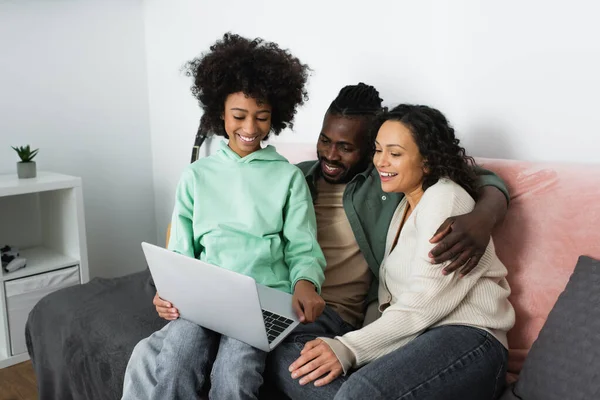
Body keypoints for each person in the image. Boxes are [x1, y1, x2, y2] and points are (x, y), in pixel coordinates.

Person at [151, 84, 511, 399]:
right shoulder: (300, 176)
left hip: (458, 333)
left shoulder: (411, 192)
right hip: (380, 329)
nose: (331, 154)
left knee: (350, 386)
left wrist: (486, 214)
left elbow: (472, 177)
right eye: (325, 140)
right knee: (274, 356)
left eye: (348, 147)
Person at [264, 84, 511, 400]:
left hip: (469, 337)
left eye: (394, 154)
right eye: (379, 150)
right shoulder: (401, 209)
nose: (381, 162)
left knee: (357, 393)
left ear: (427, 160)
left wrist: (349, 347)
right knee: (297, 365)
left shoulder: (444, 198)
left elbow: (424, 302)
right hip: (415, 339)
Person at [122, 33, 327, 400]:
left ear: (275, 116)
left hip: (260, 302)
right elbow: (179, 254)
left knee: (235, 374)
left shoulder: (288, 178)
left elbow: (302, 247)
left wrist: (306, 282)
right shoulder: (196, 177)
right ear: (220, 113)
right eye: (239, 116)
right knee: (176, 358)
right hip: (201, 299)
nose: (250, 128)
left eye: (262, 118)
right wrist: (166, 294)